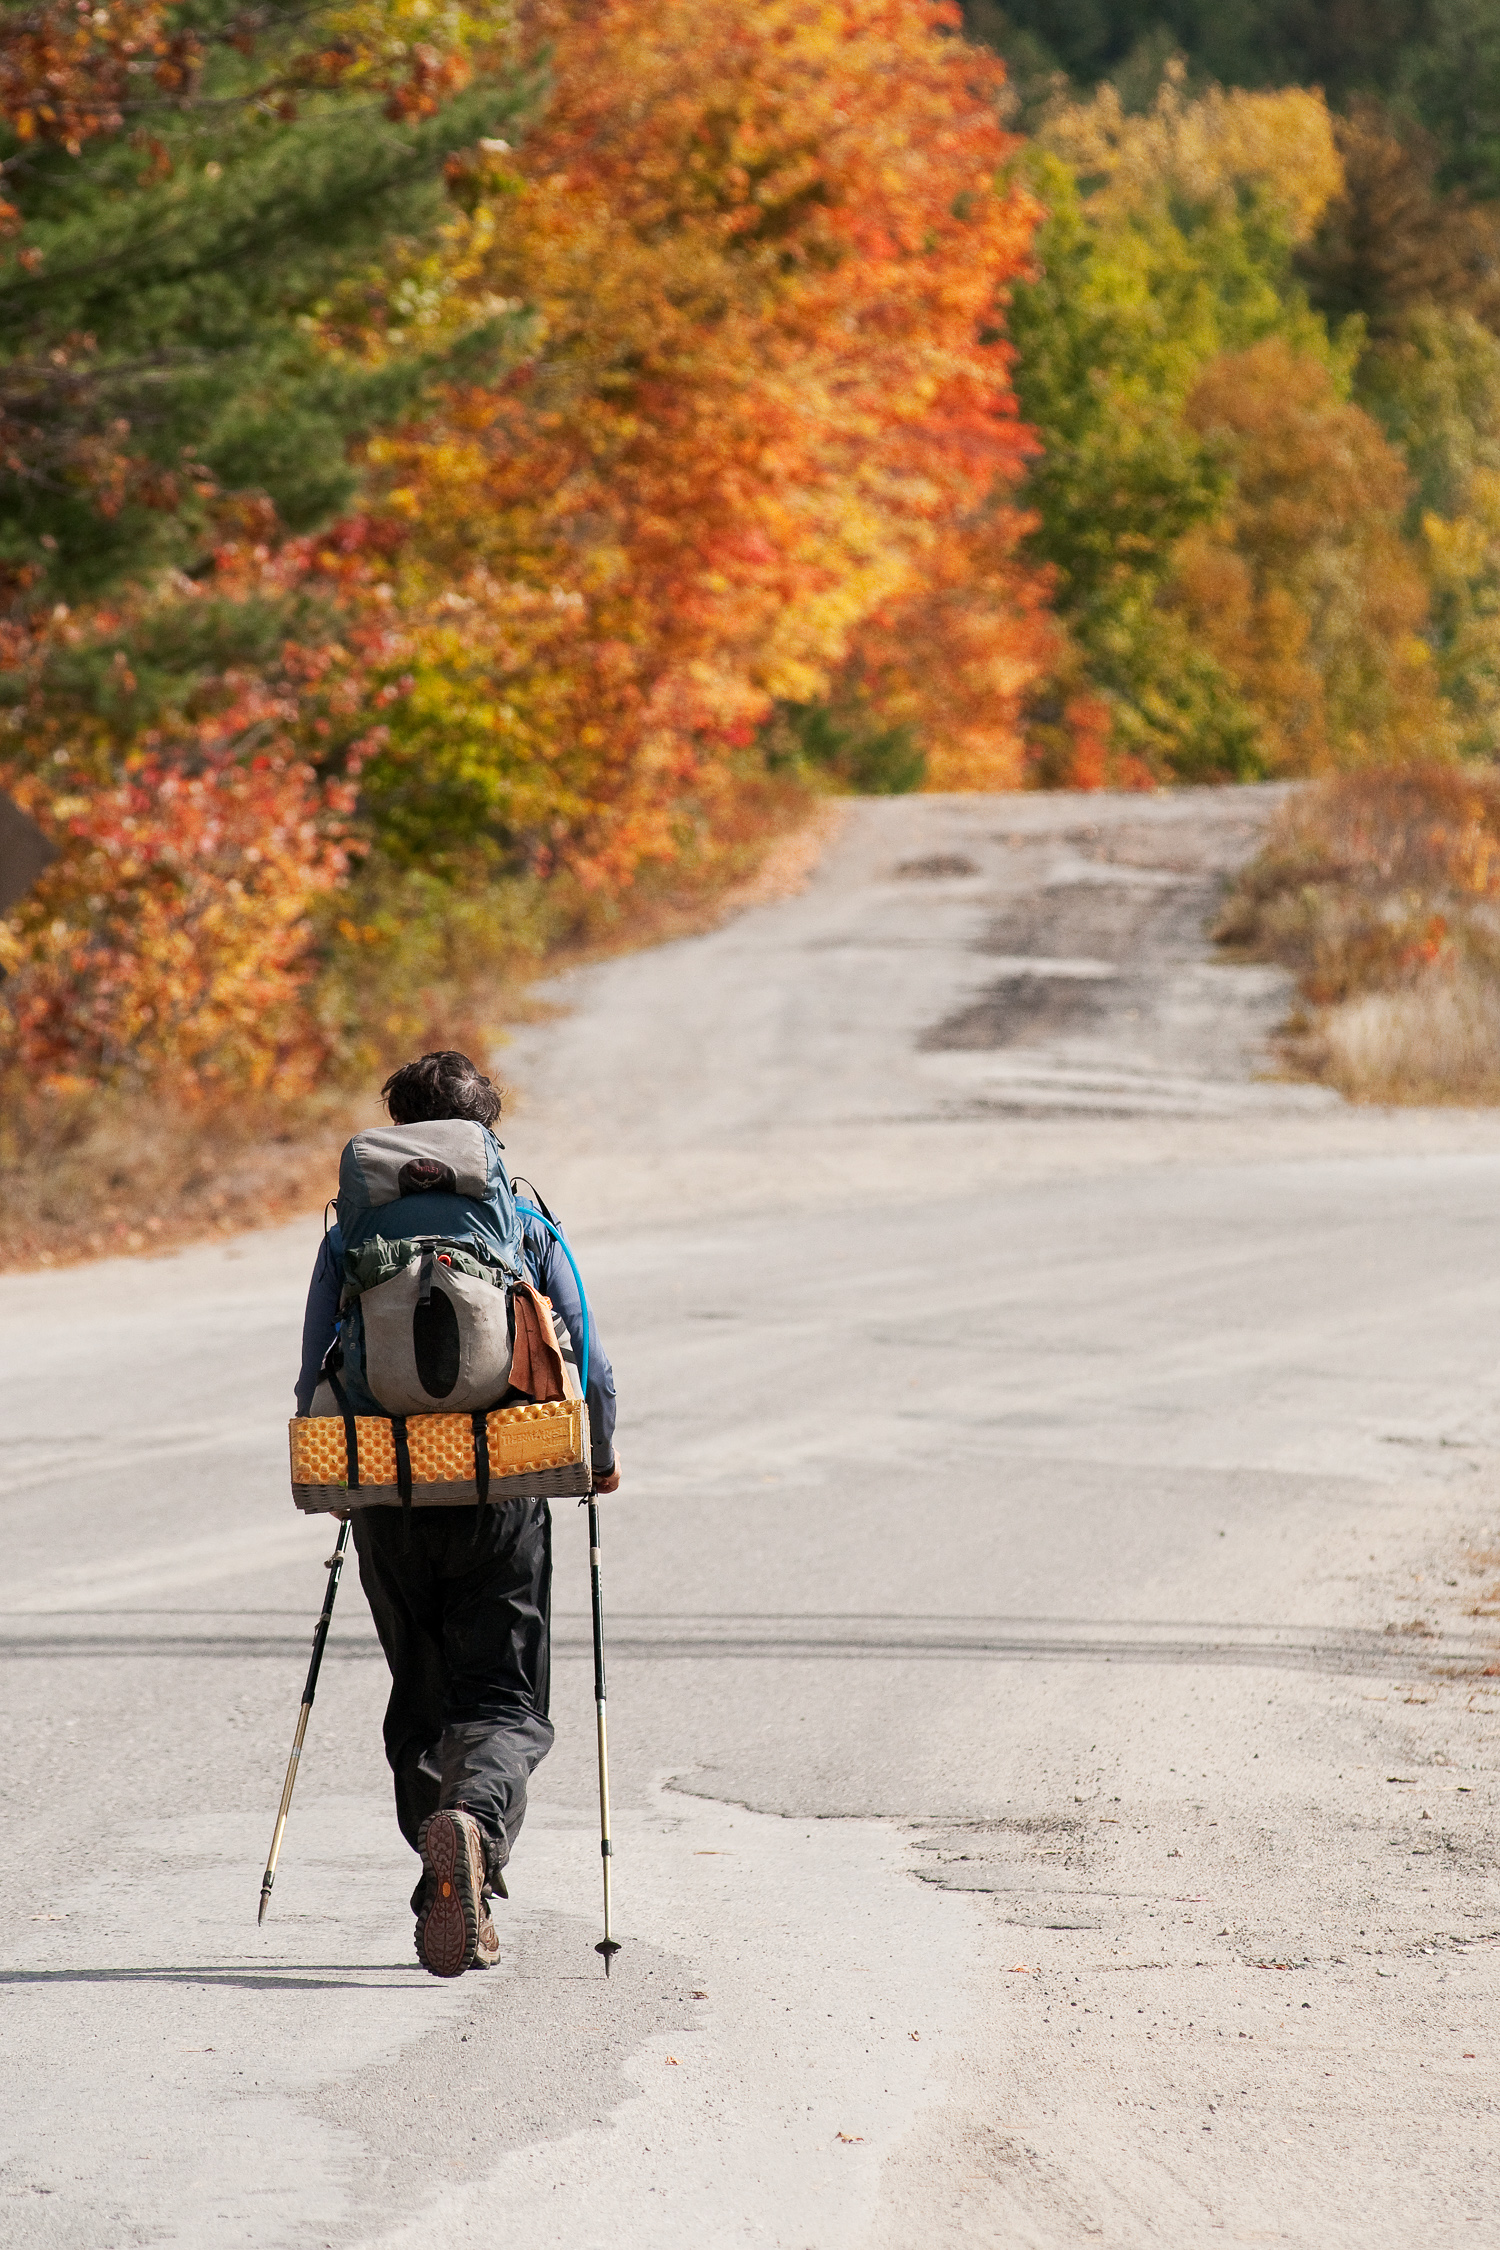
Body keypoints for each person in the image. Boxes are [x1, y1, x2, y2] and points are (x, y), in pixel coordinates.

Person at [295, 1049, 619, 1975]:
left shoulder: (350, 1230)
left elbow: (313, 1364)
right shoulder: (519, 1217)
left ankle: (452, 1878)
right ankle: (472, 1830)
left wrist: (338, 1473)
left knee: (422, 1699)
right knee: (504, 1704)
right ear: (487, 1128)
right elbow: (588, 1360)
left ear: (398, 1127)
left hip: (391, 1494)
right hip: (504, 1490)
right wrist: (598, 1456)